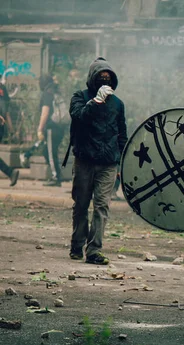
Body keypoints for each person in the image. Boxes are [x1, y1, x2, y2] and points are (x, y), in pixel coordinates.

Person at [68, 57, 127, 265]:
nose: (105, 81)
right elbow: (78, 116)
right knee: (81, 204)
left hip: (108, 164)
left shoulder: (118, 104)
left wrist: (122, 161)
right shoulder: (79, 97)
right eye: (101, 77)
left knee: (102, 206)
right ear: (92, 79)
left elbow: (122, 135)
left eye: (109, 78)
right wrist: (96, 102)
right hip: (84, 161)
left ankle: (94, 250)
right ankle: (77, 244)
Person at [36, 75, 69, 187]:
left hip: (52, 127)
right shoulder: (55, 91)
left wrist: (40, 128)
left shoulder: (47, 93)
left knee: (50, 152)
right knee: (47, 151)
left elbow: (45, 112)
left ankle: (56, 178)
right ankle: (58, 174)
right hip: (60, 127)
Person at [0, 81, 19, 186]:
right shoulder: (3, 89)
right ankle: (10, 173)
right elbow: (6, 112)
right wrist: (11, 129)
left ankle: (10, 172)